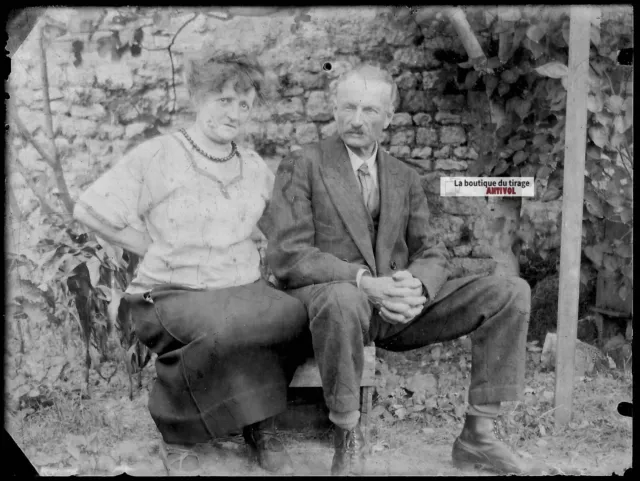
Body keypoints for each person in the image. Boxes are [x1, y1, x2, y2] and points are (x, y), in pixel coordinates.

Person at [260, 63, 542, 476]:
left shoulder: (404, 176)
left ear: (389, 119)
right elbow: (288, 254)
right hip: (327, 307)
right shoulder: (303, 163)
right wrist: (362, 281)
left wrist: (419, 287)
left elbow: (432, 249)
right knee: (343, 298)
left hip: (392, 310)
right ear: (334, 110)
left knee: (510, 292)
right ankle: (347, 437)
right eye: (348, 108)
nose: (357, 120)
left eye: (370, 111)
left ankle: (478, 436)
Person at [73, 49, 309, 476]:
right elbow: (89, 209)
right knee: (226, 325)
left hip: (237, 289)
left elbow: (285, 232)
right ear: (199, 98)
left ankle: (260, 423)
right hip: (167, 293)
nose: (235, 112)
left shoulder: (254, 167)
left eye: (245, 105)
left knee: (293, 313)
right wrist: (148, 245)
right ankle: (179, 433)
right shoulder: (160, 155)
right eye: (224, 99)